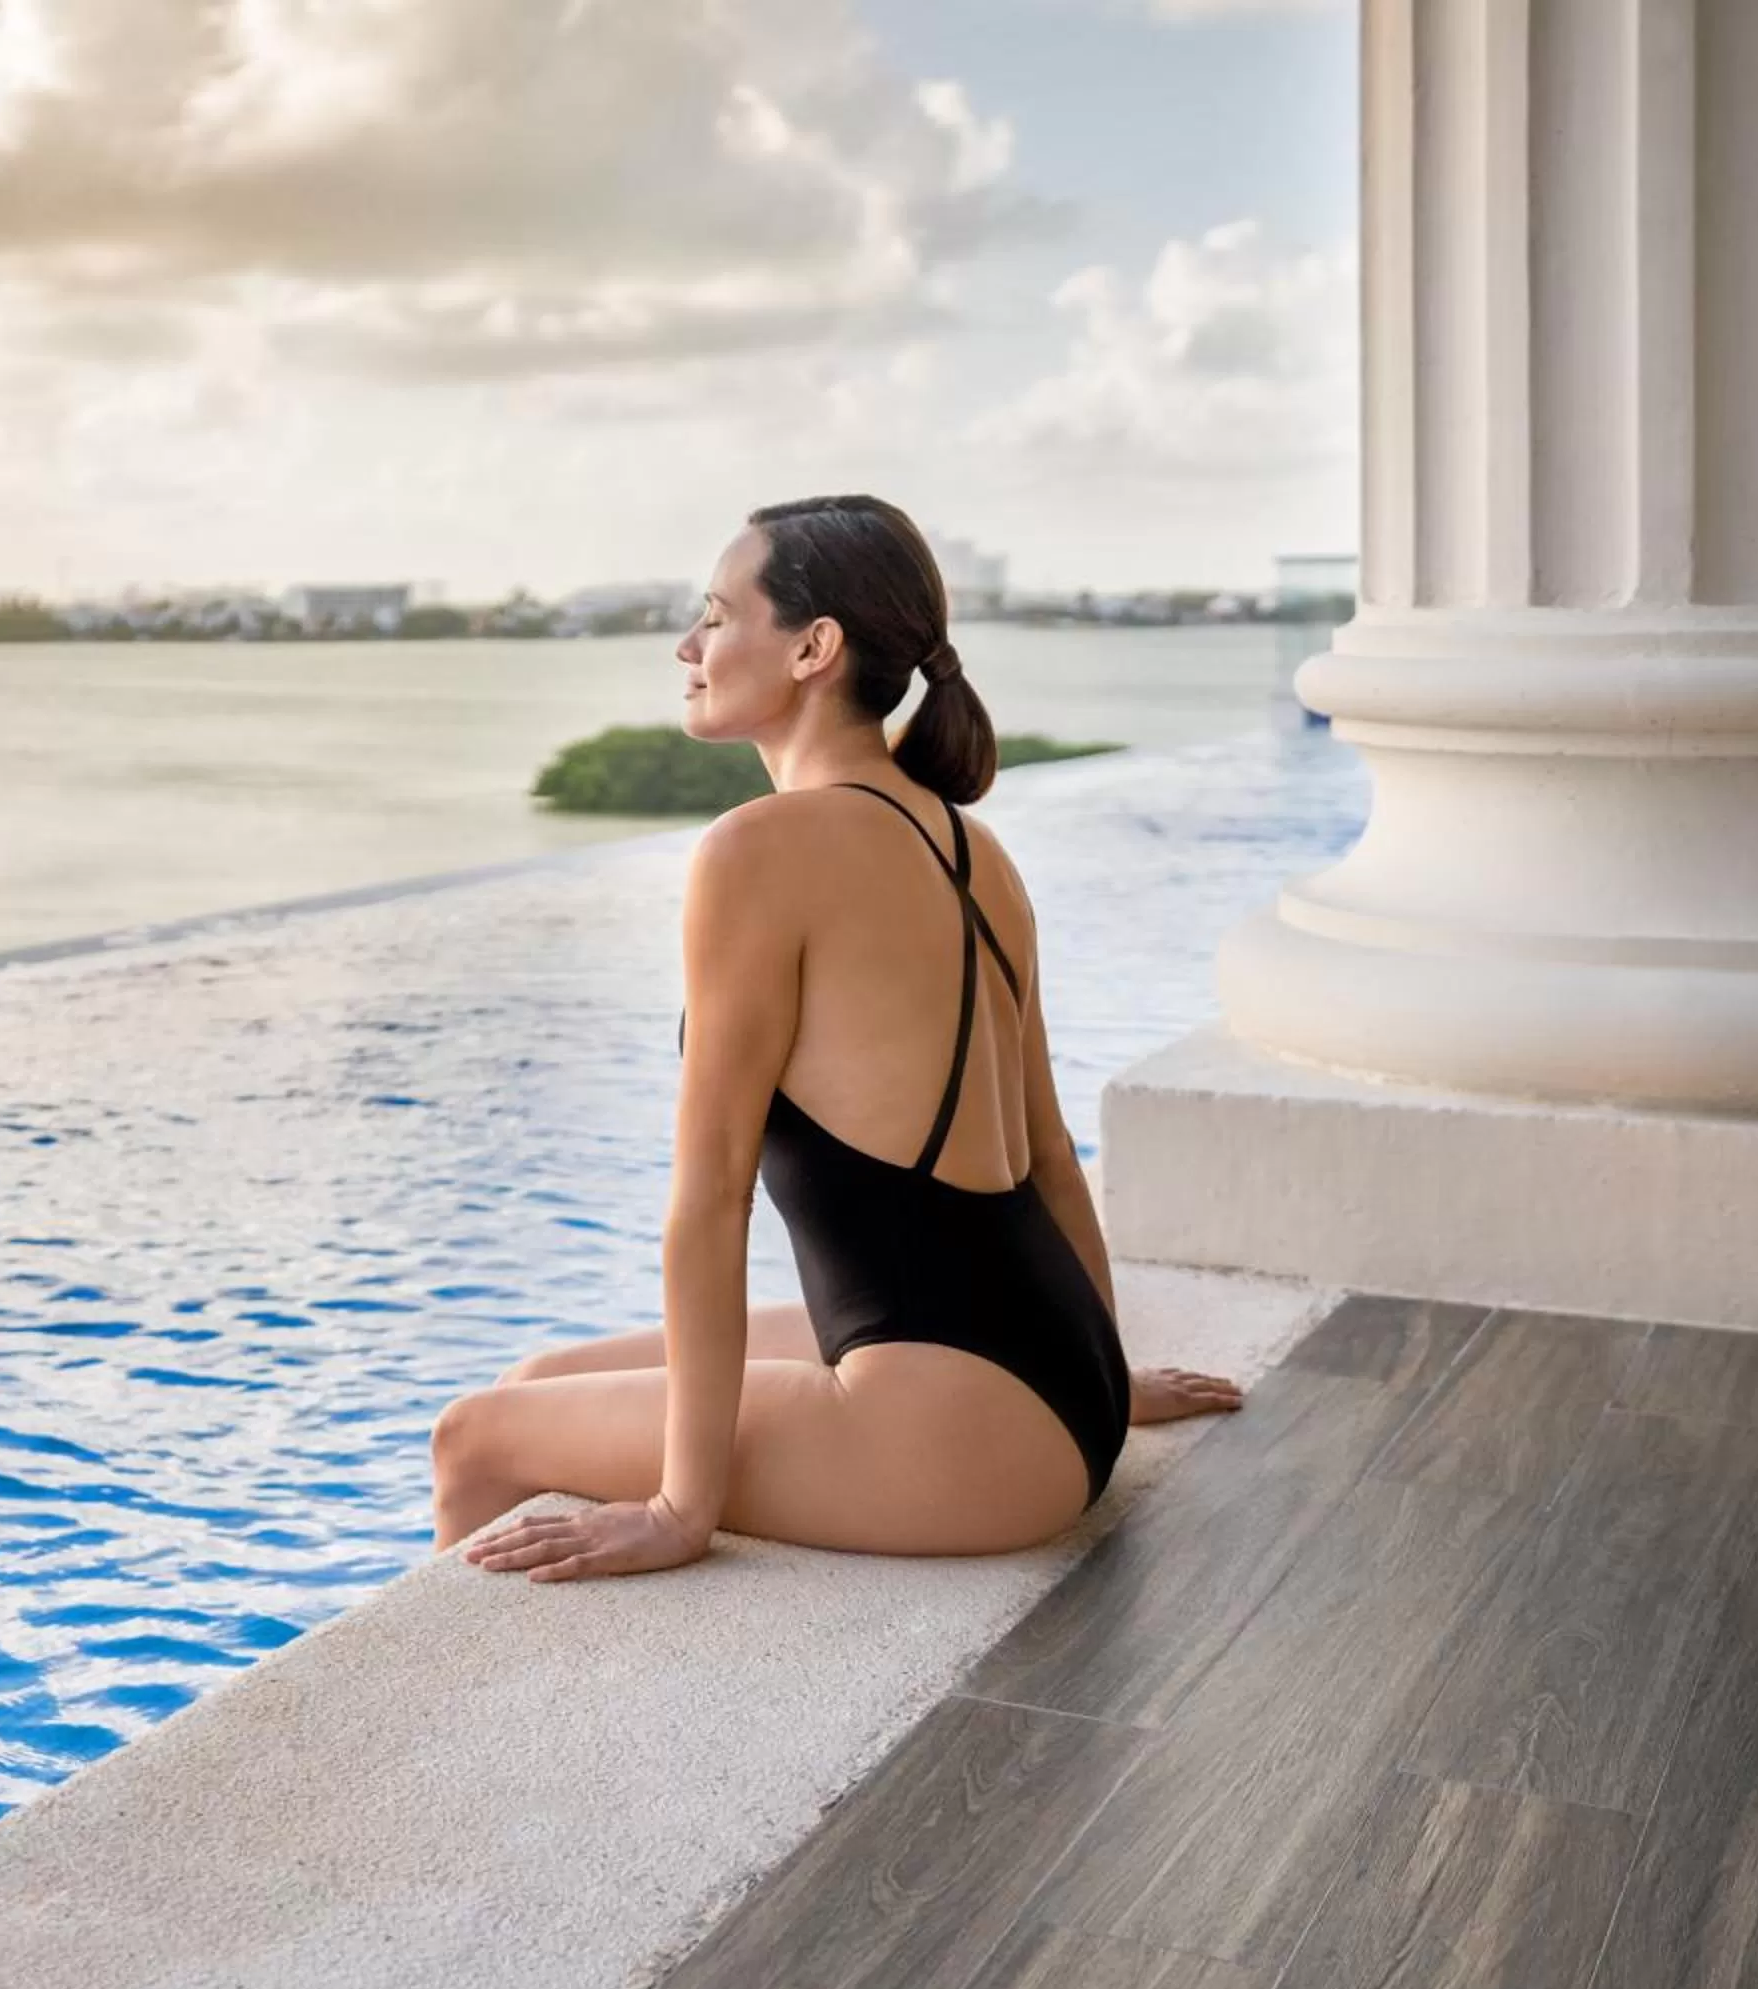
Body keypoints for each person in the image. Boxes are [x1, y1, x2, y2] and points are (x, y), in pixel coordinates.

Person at [432, 495, 1242, 1582]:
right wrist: (1118, 1379)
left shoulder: (760, 849)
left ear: (815, 647)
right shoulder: (972, 844)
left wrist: (681, 1507)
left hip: (961, 1437)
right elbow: (1050, 1156)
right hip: (1068, 1383)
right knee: (536, 1382)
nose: (688, 646)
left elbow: (710, 1201)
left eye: (718, 616)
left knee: (474, 1438)